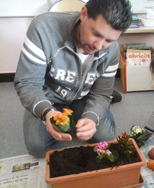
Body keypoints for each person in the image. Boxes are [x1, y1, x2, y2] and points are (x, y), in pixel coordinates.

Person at [14, 0, 132, 158]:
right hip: (49, 96)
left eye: (109, 41)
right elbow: (28, 83)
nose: (98, 46)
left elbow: (101, 93)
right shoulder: (43, 28)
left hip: (83, 96)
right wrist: (46, 112)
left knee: (105, 137)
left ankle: (109, 98)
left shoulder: (111, 50)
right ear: (83, 14)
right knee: (37, 147)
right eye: (96, 34)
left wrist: (91, 117)